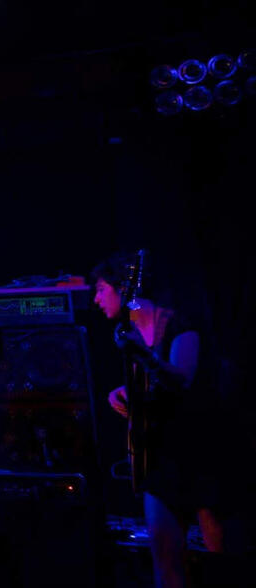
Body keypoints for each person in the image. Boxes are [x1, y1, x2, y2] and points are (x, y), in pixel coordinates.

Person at [93, 251, 225, 588]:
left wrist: (141, 354)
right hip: (159, 457)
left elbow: (181, 379)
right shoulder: (131, 329)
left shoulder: (177, 324)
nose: (95, 299)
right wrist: (123, 392)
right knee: (165, 565)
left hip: (198, 454)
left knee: (220, 562)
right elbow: (155, 386)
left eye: (101, 289)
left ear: (123, 288)